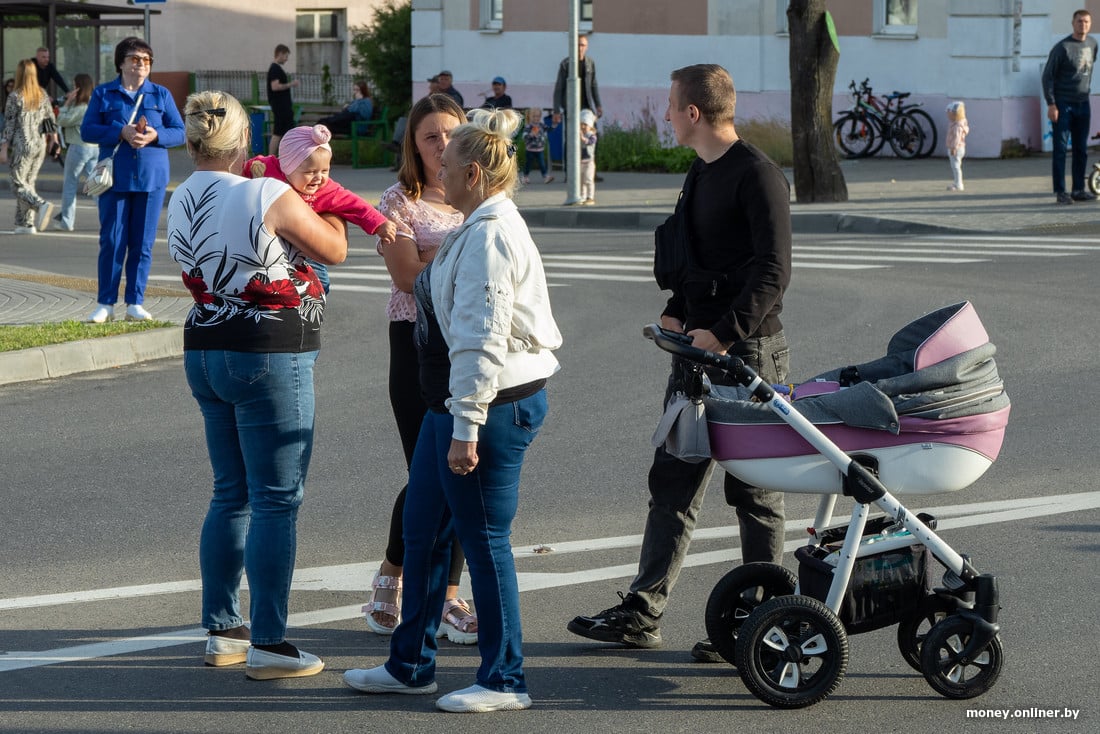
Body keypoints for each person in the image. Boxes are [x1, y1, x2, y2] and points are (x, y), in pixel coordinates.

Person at [566, 64, 792, 664]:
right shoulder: (700, 171)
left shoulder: (757, 176)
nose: (666, 114)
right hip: (695, 355)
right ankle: (642, 615)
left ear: (694, 113)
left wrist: (721, 332)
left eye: (671, 105)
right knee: (672, 484)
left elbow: (773, 274)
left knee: (756, 494)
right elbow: (694, 257)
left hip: (746, 356)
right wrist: (675, 310)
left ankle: (763, 623)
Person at [344, 107, 563, 714]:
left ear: (475, 173)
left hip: (491, 408)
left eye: (451, 158)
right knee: (422, 532)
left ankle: (504, 679)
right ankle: (409, 665)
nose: (440, 163)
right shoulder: (473, 223)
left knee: (485, 540)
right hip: (450, 402)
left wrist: (466, 427)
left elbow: (483, 338)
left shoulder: (491, 233)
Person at [166, 89, 348, 681]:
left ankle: (224, 631)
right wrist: (326, 193)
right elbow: (335, 249)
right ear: (244, 142)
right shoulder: (268, 192)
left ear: (193, 141)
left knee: (231, 492)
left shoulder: (182, 195)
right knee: (277, 498)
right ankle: (270, 643)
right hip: (269, 349)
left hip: (205, 344)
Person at [361, 93, 478, 646]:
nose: (440, 145)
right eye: (428, 136)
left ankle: (450, 595)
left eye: (449, 134)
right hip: (413, 343)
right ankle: (392, 569)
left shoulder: (476, 197)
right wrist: (457, 255)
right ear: (413, 144)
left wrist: (434, 254)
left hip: (468, 343)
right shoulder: (398, 200)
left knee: (466, 468)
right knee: (428, 470)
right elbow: (407, 276)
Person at [80, 37, 185, 323]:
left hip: (152, 178)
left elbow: (180, 131)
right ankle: (106, 303)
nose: (141, 65)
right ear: (121, 62)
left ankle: (135, 303)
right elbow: (87, 130)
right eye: (135, 59)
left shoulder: (160, 94)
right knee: (112, 240)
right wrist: (120, 131)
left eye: (147, 60)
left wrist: (156, 135)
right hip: (115, 178)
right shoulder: (104, 94)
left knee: (143, 243)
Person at [244, 123, 396, 293]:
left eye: (325, 171)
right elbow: (238, 173)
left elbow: (354, 205)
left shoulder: (326, 190)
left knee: (320, 283)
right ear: (287, 165)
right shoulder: (265, 168)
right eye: (310, 172)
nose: (319, 178)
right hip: (271, 245)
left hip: (308, 249)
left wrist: (378, 223)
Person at [1042, 9, 1097, 205]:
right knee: (1061, 149)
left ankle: (1078, 189)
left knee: (1081, 149)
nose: (1083, 25)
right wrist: (1052, 104)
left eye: (1087, 22)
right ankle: (1060, 191)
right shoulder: (1062, 47)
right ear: (1073, 23)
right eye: (1080, 21)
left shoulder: (1092, 44)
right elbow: (1047, 76)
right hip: (1063, 104)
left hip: (1083, 102)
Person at [1, 58, 58, 234]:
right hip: (39, 144)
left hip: (22, 144)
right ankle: (25, 223)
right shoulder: (41, 93)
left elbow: (9, 125)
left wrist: (3, 148)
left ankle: (40, 204)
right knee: (28, 182)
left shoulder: (15, 96)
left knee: (17, 183)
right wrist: (53, 140)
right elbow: (50, 119)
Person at [552, 33, 602, 176]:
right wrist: (556, 110)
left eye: (583, 45)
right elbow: (559, 88)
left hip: (587, 108)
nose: (580, 48)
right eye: (578, 45)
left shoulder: (590, 63)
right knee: (572, 139)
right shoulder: (566, 64)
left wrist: (598, 105)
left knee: (592, 137)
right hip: (571, 108)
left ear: (586, 47)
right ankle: (571, 174)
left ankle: (590, 172)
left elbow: (593, 85)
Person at [55, 73, 98, 231]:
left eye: (74, 86)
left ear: (80, 87)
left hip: (79, 147)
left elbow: (61, 120)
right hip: (95, 148)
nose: (72, 90)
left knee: (70, 184)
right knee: (95, 186)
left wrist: (67, 102)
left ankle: (67, 222)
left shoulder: (80, 107)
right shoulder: (94, 104)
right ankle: (106, 219)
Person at [267, 44, 300, 155]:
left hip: (283, 106)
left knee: (287, 131)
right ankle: (271, 156)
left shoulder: (276, 69)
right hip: (280, 106)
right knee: (278, 132)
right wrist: (291, 84)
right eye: (285, 56)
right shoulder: (275, 69)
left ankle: (288, 155)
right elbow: (275, 86)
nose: (286, 59)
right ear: (280, 54)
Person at [521, 107, 554, 184]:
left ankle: (545, 177)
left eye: (538, 116)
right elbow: (524, 136)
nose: (536, 118)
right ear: (530, 117)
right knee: (528, 164)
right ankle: (525, 177)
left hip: (540, 149)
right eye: (534, 116)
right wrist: (531, 134)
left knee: (542, 164)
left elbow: (549, 129)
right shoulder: (528, 126)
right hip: (530, 149)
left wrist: (554, 124)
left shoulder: (541, 125)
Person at [945, 101, 969, 192]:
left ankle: (959, 184)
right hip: (959, 148)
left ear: (954, 114)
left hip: (956, 148)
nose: (947, 115)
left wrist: (953, 147)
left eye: (948, 112)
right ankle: (956, 182)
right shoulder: (958, 123)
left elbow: (956, 138)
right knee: (956, 166)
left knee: (956, 166)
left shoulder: (957, 126)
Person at [578, 108, 598, 204]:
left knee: (588, 179)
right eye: (581, 124)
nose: (582, 126)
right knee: (581, 181)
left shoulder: (592, 135)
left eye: (585, 124)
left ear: (590, 126)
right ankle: (583, 196)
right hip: (580, 162)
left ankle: (590, 197)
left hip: (589, 162)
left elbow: (591, 142)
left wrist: (583, 139)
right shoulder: (579, 135)